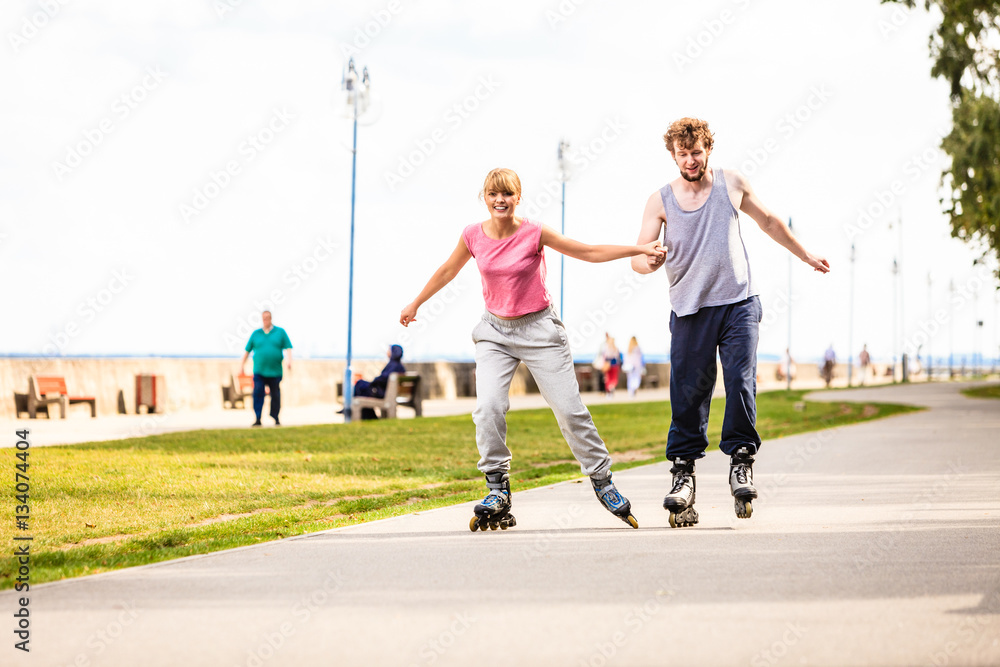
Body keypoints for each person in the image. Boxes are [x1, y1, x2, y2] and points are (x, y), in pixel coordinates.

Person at [400, 167, 664, 531]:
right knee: (488, 407)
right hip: (495, 331)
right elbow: (448, 271)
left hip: (539, 329)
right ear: (485, 197)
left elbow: (587, 251)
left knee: (570, 411)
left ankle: (603, 481)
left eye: (507, 194)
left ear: (517, 197)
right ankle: (497, 486)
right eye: (493, 194)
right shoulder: (472, 235)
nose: (500, 200)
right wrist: (416, 303)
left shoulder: (534, 233)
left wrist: (639, 248)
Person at [630, 117, 829, 527]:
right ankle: (683, 476)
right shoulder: (660, 200)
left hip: (739, 302)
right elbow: (637, 257)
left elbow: (770, 221)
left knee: (740, 380)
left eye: (696, 152)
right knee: (688, 392)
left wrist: (805, 255)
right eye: (682, 154)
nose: (690, 160)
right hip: (689, 309)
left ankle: (741, 461)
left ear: (708, 150)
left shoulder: (731, 183)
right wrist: (649, 260)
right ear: (673, 155)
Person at [239, 310, 292, 427]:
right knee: (257, 393)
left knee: (275, 395)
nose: (266, 320)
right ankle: (258, 418)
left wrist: (289, 361)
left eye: (268, 318)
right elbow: (247, 350)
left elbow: (288, 347)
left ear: (271, 318)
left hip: (275, 371)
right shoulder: (256, 334)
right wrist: (241, 366)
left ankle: (275, 416)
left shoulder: (280, 332)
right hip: (259, 370)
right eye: (264, 318)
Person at [352, 344, 406, 420]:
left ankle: (368, 415)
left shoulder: (393, 365)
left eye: (389, 350)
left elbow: (383, 378)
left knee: (359, 384)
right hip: (385, 391)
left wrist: (374, 381)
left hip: (382, 392)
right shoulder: (400, 366)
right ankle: (369, 416)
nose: (387, 352)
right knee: (361, 387)